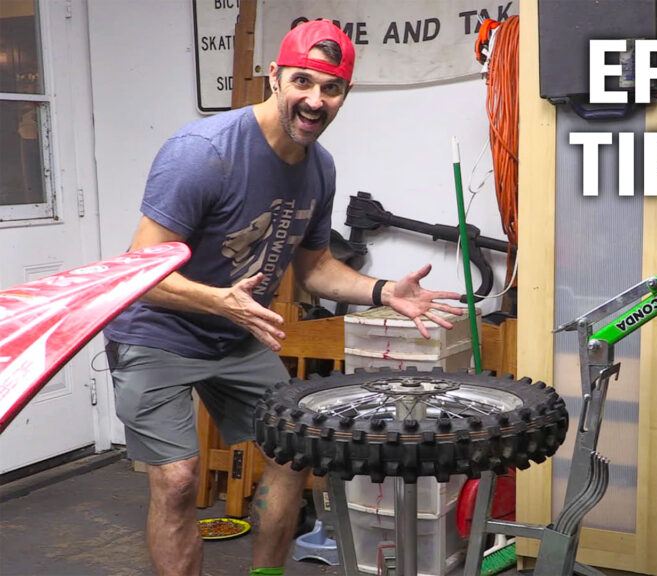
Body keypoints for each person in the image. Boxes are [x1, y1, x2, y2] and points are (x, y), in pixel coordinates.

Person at [103, 20, 462, 576]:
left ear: (345, 94)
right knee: (176, 481)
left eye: (332, 88)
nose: (315, 100)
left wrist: (384, 291)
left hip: (237, 332)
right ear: (274, 77)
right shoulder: (203, 153)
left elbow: (314, 267)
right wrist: (222, 301)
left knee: (292, 450)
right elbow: (138, 272)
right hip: (157, 331)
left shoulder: (319, 169)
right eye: (303, 81)